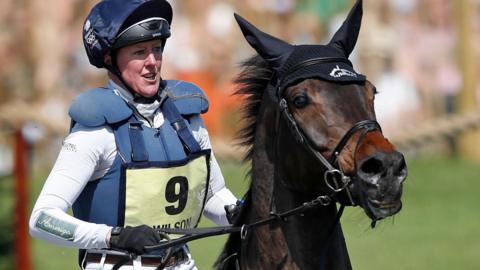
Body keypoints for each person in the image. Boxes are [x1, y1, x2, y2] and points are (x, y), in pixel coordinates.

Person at [28, 0, 238, 269]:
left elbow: (211, 194)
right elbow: (42, 219)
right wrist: (112, 236)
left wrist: (240, 213)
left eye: (157, 49)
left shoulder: (187, 118)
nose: (153, 62)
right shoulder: (95, 132)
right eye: (140, 52)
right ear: (109, 59)